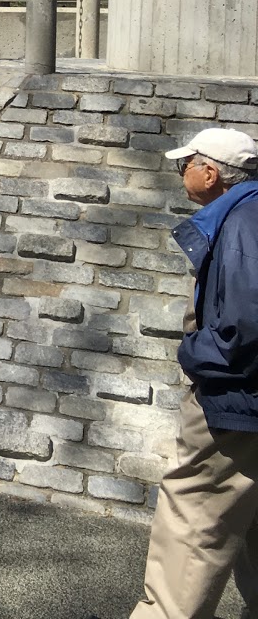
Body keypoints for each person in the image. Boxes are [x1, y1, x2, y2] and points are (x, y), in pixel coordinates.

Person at [130, 127, 258, 618]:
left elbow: (242, 328)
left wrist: (193, 355)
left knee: (193, 518)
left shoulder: (242, 223)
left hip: (236, 403)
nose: (181, 173)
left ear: (210, 172)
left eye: (185, 164)